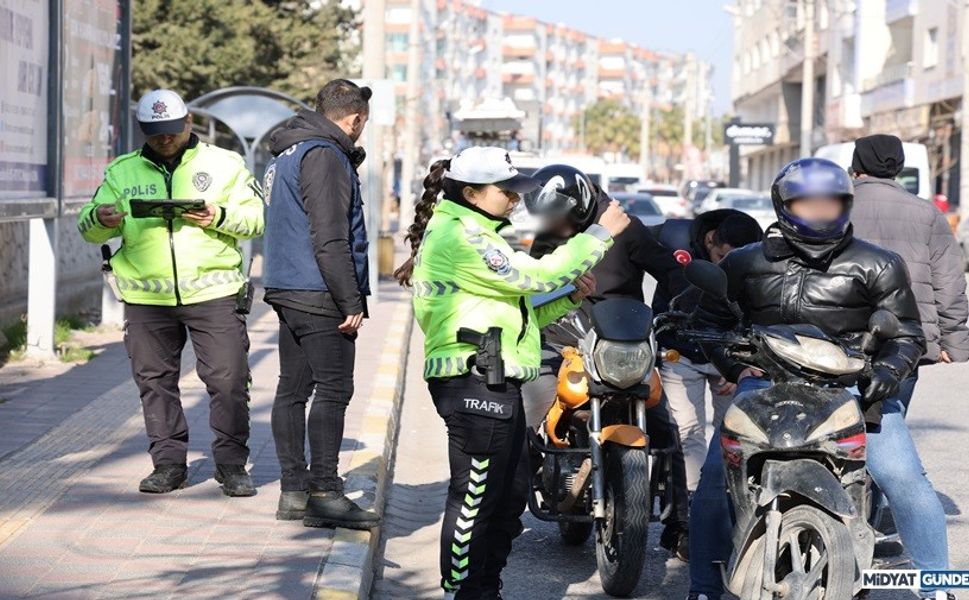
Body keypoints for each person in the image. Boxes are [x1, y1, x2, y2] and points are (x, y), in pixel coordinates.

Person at [686, 157, 951, 600]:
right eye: (808, 205)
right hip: (765, 383)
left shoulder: (878, 263)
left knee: (902, 477)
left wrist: (888, 371)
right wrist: (734, 365)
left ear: (845, 205)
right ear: (784, 205)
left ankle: (937, 586)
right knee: (715, 479)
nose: (820, 213)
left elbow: (907, 334)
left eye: (830, 204)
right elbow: (712, 323)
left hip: (849, 385)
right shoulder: (744, 262)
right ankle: (703, 588)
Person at [394, 147, 630, 599]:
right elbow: (535, 278)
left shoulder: (481, 231)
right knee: (476, 499)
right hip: (471, 378)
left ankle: (486, 588)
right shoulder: (462, 235)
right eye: (505, 190)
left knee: (507, 499)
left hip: (497, 378)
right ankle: (463, 592)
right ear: (471, 193)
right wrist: (600, 233)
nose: (515, 199)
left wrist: (569, 301)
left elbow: (517, 317)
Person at [77, 89, 264, 496]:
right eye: (155, 133)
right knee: (155, 382)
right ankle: (168, 465)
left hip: (213, 293)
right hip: (147, 299)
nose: (164, 139)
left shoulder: (225, 164)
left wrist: (219, 216)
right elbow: (88, 226)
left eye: (171, 131)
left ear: (189, 123)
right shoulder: (121, 171)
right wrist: (103, 218)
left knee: (229, 380)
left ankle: (231, 465)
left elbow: (257, 219)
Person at [524, 163, 693, 560]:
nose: (555, 226)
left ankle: (679, 526)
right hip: (563, 338)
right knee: (527, 411)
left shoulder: (625, 227)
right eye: (549, 219)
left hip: (621, 344)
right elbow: (534, 284)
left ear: (581, 203)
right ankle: (508, 504)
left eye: (561, 218)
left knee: (665, 427)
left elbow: (670, 271)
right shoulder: (549, 233)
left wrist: (685, 306)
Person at [262, 79, 376, 529]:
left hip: (286, 284)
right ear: (354, 119)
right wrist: (351, 300)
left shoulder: (289, 151)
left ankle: (294, 492)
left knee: (292, 389)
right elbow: (330, 237)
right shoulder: (326, 155)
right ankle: (325, 492)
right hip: (318, 290)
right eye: (361, 124)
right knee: (334, 389)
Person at [649, 210, 763, 492]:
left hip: (729, 356)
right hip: (681, 353)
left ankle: (726, 498)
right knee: (687, 433)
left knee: (733, 435)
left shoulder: (759, 261)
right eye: (723, 257)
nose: (729, 267)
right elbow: (628, 242)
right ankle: (693, 503)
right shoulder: (673, 243)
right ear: (710, 240)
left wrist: (736, 364)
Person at [850, 133, 969, 393]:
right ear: (898, 167)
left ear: (856, 166)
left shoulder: (836, 209)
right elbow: (948, 282)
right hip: (906, 342)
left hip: (840, 337)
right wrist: (954, 342)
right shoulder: (927, 213)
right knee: (890, 417)